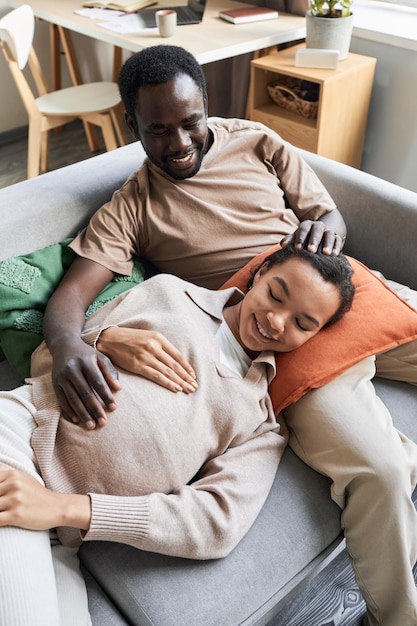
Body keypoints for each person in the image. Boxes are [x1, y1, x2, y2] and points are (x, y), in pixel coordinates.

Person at [41, 45, 417, 626]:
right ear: (130, 125)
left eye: (190, 122)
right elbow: (69, 299)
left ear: (207, 106)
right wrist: (71, 344)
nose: (181, 142)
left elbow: (331, 216)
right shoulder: (133, 207)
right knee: (382, 473)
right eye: (159, 130)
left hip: (340, 290)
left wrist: (323, 229)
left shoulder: (257, 140)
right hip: (277, 341)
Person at [0, 247, 354, 626]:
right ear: (262, 272)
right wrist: (102, 338)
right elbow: (50, 359)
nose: (276, 320)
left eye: (302, 323)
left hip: (63, 529)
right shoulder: (170, 294)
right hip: (22, 440)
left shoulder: (263, 420)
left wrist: (68, 509)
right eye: (275, 294)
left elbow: (217, 523)